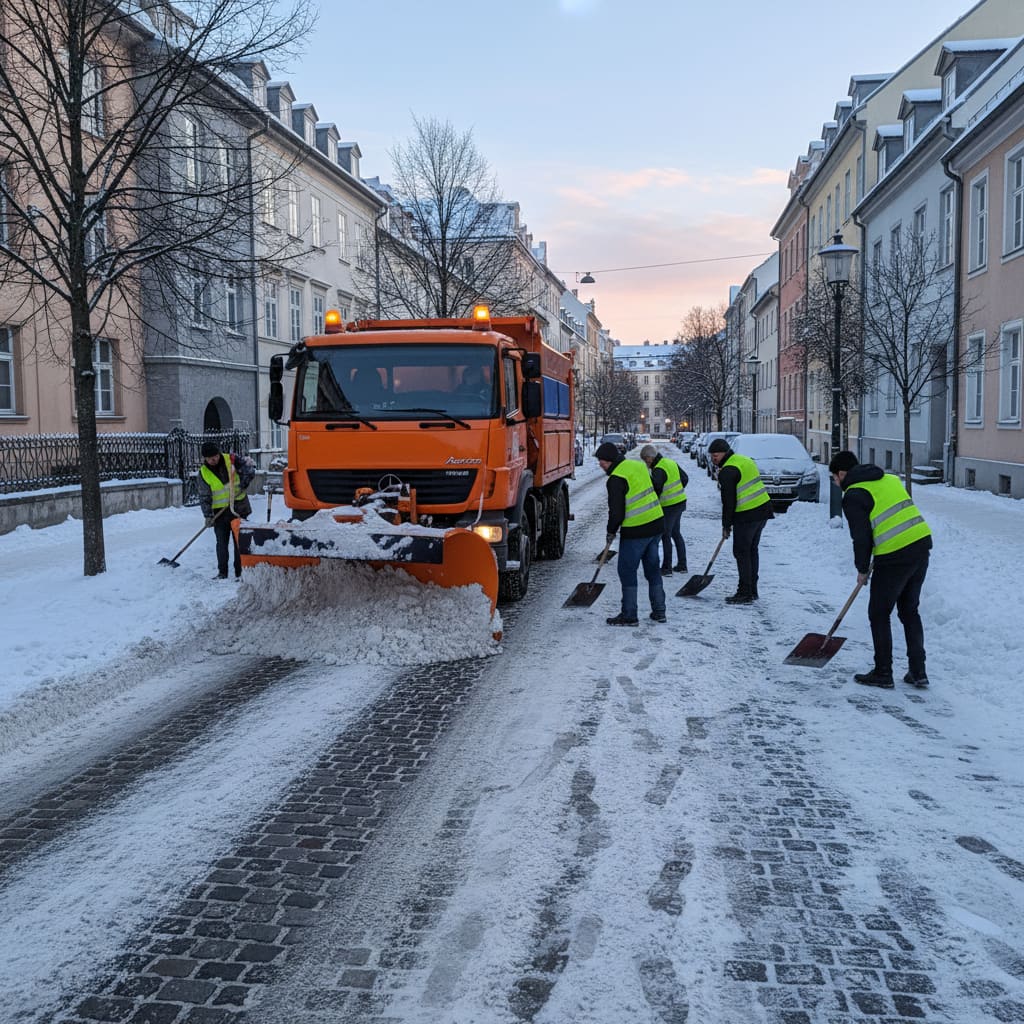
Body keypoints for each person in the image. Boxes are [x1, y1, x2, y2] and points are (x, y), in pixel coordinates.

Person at [829, 450, 933, 689]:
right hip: (920, 546)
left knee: (878, 612)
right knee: (909, 611)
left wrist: (862, 568)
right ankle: (918, 671)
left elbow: (861, 538)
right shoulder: (889, 479)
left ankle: (883, 672)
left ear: (842, 473)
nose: (836, 483)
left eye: (835, 478)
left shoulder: (854, 495)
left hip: (894, 556)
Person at [595, 441, 666, 626]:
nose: (600, 464)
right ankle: (659, 611)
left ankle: (629, 615)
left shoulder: (616, 479)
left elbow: (616, 512)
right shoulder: (637, 465)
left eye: (602, 461)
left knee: (627, 571)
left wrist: (610, 532)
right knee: (652, 569)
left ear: (610, 460)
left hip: (636, 530)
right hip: (656, 523)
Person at [707, 437, 773, 604]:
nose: (713, 459)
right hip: (762, 510)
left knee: (741, 552)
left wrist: (726, 525)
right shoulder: (743, 459)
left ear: (724, 453)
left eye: (715, 456)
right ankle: (752, 590)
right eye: (711, 456)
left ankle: (744, 592)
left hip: (748, 515)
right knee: (751, 550)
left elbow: (728, 502)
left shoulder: (728, 471)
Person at [196, 441, 254, 580]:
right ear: (205, 458)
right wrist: (208, 515)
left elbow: (250, 470)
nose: (213, 459)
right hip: (219, 513)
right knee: (221, 543)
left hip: (239, 509)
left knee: (239, 543)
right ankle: (222, 573)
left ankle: (240, 572)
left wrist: (244, 483)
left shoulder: (232, 460)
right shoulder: (203, 473)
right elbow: (204, 496)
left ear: (218, 453)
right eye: (209, 458)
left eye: (215, 456)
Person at [640, 444, 688, 576]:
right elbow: (685, 478)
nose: (646, 463)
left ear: (650, 457)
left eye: (645, 460)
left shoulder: (659, 469)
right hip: (680, 502)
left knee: (666, 534)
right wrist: (677, 491)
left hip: (669, 506)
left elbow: (656, 490)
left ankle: (667, 568)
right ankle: (682, 565)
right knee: (676, 533)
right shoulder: (670, 462)